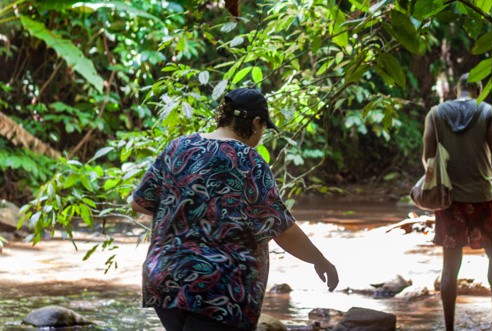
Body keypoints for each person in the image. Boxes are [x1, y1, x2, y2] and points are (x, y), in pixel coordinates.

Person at [129, 88, 339, 331]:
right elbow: (279, 228)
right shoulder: (248, 160)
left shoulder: (178, 147)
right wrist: (319, 260)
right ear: (256, 122)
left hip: (165, 280)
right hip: (219, 291)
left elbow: (140, 203)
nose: (260, 135)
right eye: (262, 128)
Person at [422, 74, 492, 330]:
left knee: (450, 265)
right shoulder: (488, 112)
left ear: (458, 90)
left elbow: (428, 157)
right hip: (483, 198)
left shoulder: (436, 114)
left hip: (449, 201)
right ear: (479, 90)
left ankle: (449, 327)